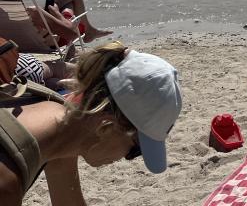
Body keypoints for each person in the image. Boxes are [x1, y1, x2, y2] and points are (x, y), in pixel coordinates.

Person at [0, 42, 182, 203]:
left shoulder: (62, 128)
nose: (123, 159)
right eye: (134, 151)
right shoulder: (6, 183)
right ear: (106, 127)